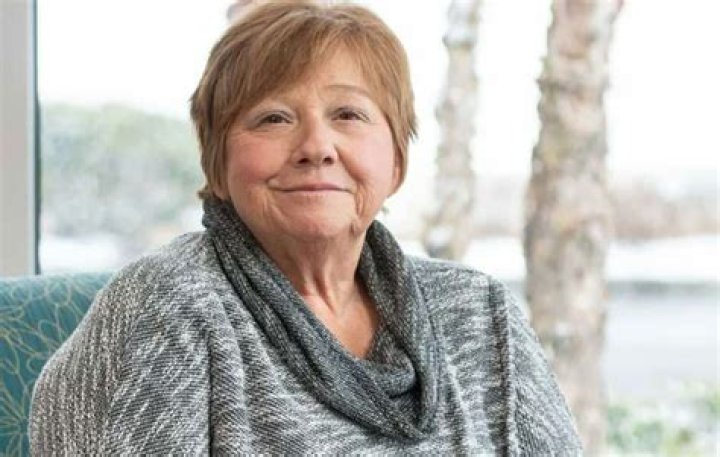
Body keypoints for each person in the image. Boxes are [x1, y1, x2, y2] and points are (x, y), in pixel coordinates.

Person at [29, 1, 582, 454]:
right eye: (273, 118)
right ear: (217, 165)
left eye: (349, 115)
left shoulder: (481, 311)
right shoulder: (169, 304)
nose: (316, 147)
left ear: (396, 161)